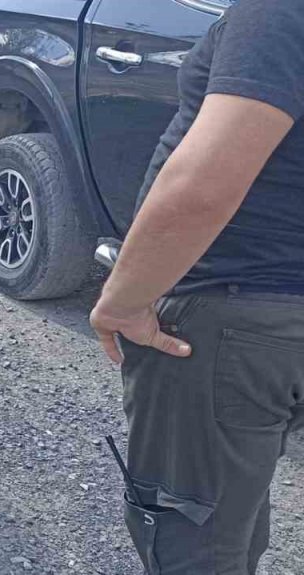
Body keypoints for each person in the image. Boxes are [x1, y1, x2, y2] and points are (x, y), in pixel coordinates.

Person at [88, 2, 303, 573]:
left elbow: (205, 182)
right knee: (228, 519)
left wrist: (124, 301)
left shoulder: (277, 11)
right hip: (272, 323)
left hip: (232, 314)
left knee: (193, 542)